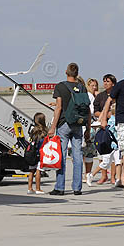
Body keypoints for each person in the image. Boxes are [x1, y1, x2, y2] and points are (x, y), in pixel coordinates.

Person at [48, 63, 91, 196]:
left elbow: (59, 108)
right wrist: (88, 128)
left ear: (66, 72)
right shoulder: (82, 87)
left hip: (64, 124)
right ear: (77, 73)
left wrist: (52, 127)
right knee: (77, 156)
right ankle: (77, 188)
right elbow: (87, 109)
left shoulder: (61, 86)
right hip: (78, 124)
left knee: (61, 155)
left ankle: (60, 187)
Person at [87, 106, 121, 186]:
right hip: (110, 145)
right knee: (105, 163)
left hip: (117, 145)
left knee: (118, 161)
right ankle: (91, 175)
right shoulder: (113, 121)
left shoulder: (116, 120)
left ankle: (118, 179)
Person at [93, 74, 117, 183]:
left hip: (114, 126)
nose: (105, 83)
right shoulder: (100, 96)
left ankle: (113, 176)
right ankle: (103, 175)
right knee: (103, 151)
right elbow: (95, 111)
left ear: (113, 83)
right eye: (104, 81)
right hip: (102, 125)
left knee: (114, 151)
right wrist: (105, 115)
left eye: (108, 81)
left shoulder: (116, 95)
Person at [82, 77, 99, 179]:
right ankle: (87, 173)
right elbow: (91, 111)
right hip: (90, 124)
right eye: (92, 85)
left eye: (95, 85)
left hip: (88, 124)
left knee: (86, 151)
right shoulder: (90, 96)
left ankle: (86, 174)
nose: (94, 87)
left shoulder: (89, 95)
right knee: (89, 151)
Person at [27, 112, 47, 194]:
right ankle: (38, 188)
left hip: (32, 152)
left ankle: (30, 188)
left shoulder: (33, 130)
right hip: (40, 153)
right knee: (38, 170)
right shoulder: (44, 131)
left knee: (32, 170)